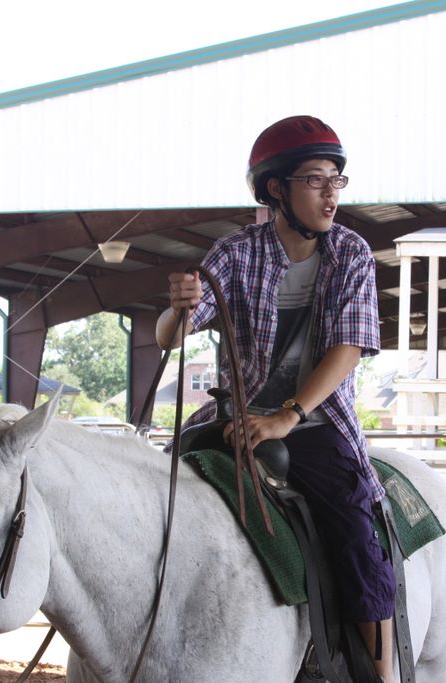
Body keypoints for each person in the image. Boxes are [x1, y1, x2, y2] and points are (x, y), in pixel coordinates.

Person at [156, 115, 397, 682]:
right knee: (159, 493)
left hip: (316, 423)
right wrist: (179, 307)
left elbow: (348, 349)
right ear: (276, 189)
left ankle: (382, 672)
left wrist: (288, 416)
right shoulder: (235, 252)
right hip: (235, 417)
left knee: (354, 527)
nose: (331, 194)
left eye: (336, 180)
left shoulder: (351, 253)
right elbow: (172, 335)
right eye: (315, 180)